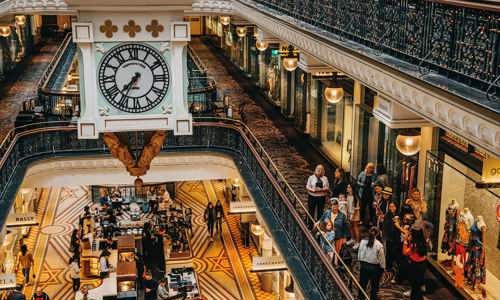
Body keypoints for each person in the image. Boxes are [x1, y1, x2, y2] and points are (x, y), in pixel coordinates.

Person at [358, 227, 385, 300]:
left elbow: (359, 255)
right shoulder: (379, 245)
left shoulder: (362, 242)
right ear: (378, 234)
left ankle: (361, 298)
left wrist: (361, 263)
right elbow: (382, 260)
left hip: (364, 266)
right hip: (375, 269)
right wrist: (383, 269)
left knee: (362, 285)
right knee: (374, 287)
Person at [403, 227, 428, 300]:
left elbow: (404, 252)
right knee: (418, 285)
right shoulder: (424, 241)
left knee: (414, 285)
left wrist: (405, 241)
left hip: (414, 265)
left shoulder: (414, 245)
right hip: (423, 264)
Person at [383, 202, 401, 280]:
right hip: (389, 236)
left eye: (393, 206)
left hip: (397, 236)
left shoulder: (399, 214)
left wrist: (397, 222)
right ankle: (388, 267)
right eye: (390, 206)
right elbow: (385, 225)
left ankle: (397, 268)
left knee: (396, 252)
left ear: (396, 207)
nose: (391, 208)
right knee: (389, 252)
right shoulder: (387, 215)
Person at [346, 184, 360, 249]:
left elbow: (356, 208)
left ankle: (357, 242)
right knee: (350, 226)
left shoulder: (356, 197)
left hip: (355, 214)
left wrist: (353, 215)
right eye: (347, 187)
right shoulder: (348, 196)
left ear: (352, 188)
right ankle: (352, 238)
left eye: (349, 187)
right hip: (350, 213)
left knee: (355, 227)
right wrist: (348, 214)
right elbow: (348, 205)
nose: (347, 188)